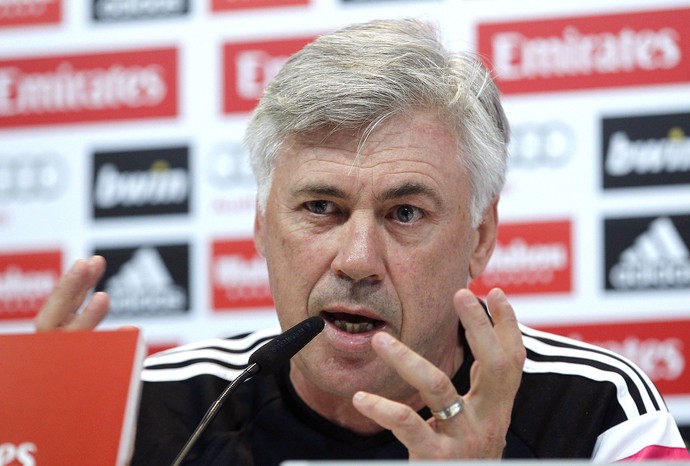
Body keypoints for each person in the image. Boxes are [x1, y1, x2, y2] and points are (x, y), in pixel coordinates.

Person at [36, 18, 689, 465]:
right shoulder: (149, 411)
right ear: (262, 224)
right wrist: (31, 439)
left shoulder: (601, 409)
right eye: (321, 207)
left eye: (405, 212)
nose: (354, 260)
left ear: (480, 236)